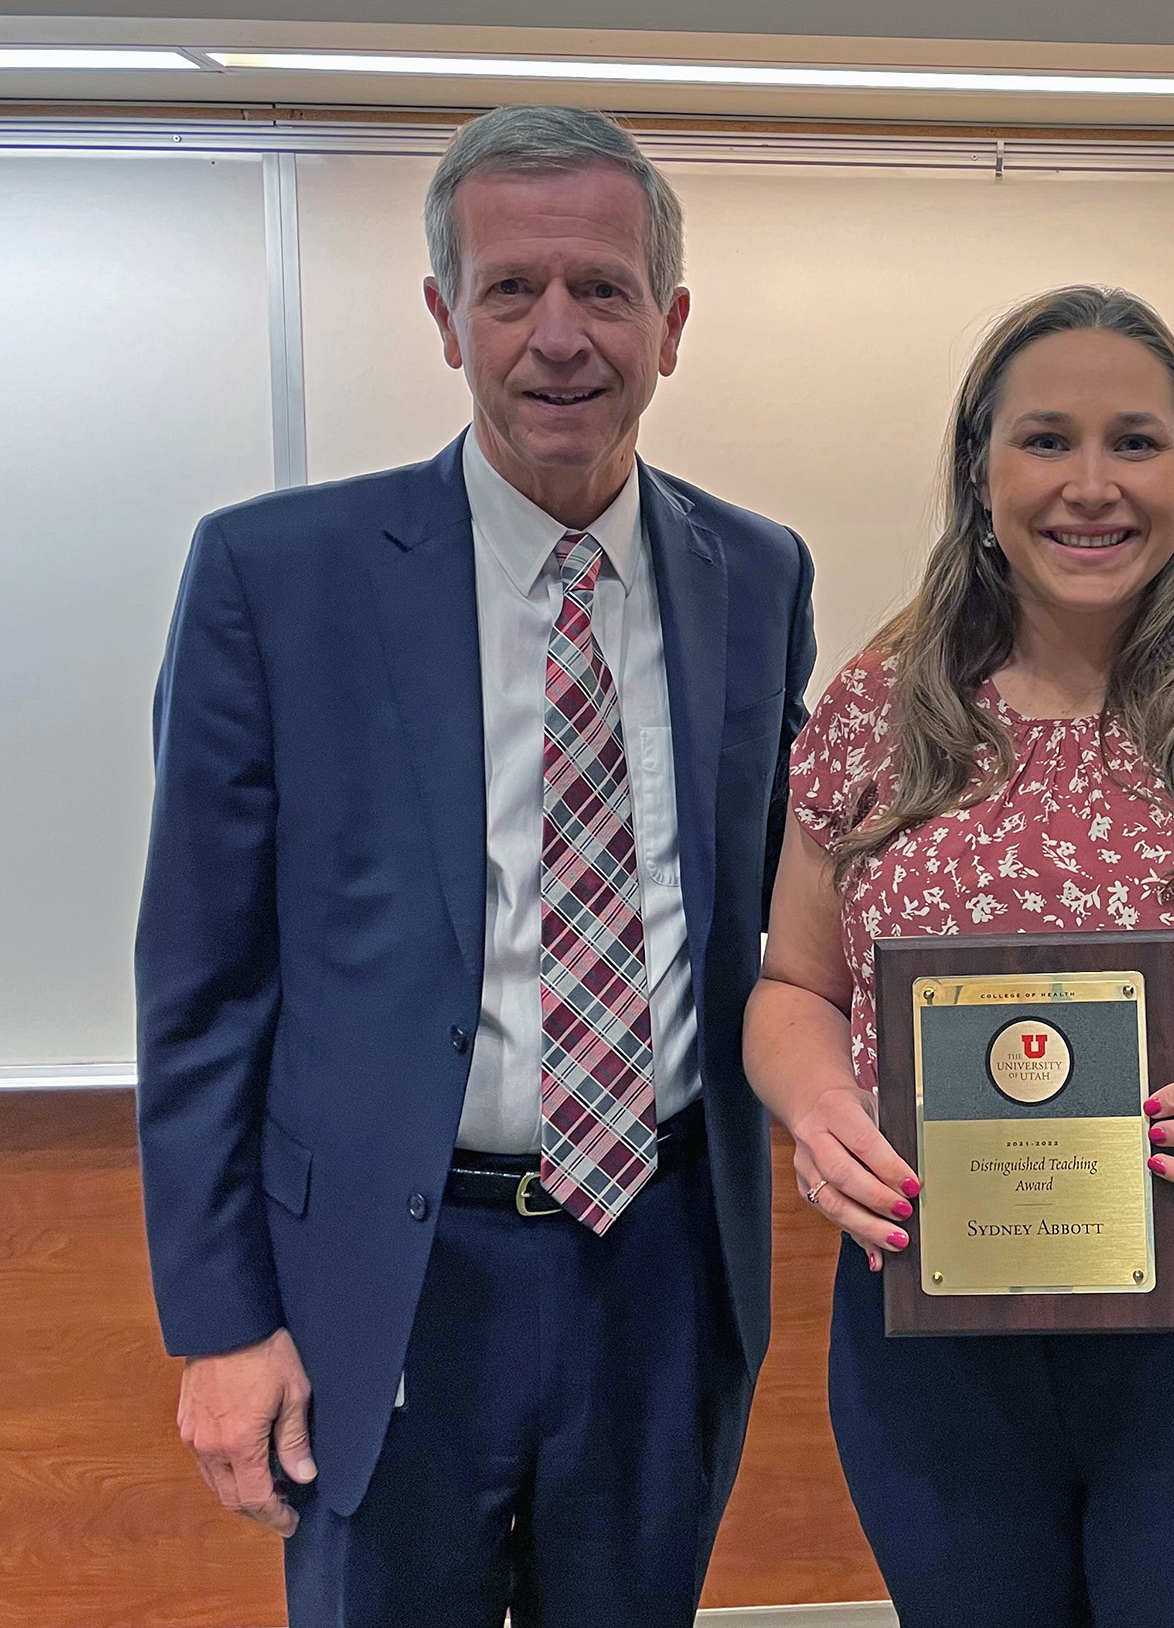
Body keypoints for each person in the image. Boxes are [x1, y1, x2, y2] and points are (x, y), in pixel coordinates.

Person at [134, 104, 814, 1627]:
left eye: (603, 289)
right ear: (444, 318)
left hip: (661, 1263)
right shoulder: (275, 576)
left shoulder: (755, 575)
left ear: (673, 323)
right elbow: (200, 984)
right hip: (392, 1270)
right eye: (512, 289)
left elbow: (781, 901)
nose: (559, 334)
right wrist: (226, 1319)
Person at [742, 285, 1174, 1628]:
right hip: (940, 1342)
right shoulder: (878, 715)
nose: (1092, 486)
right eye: (1048, 440)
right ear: (980, 468)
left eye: (1138, 442)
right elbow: (791, 988)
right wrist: (818, 1108)